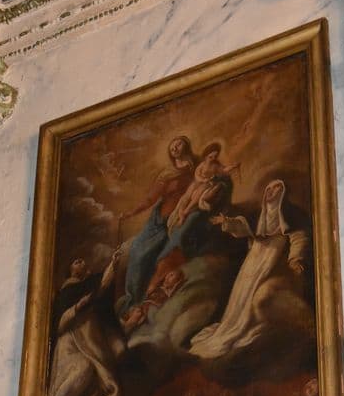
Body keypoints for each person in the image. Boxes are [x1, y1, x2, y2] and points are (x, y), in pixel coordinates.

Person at [189, 179, 311, 359]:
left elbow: (298, 236)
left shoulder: (290, 213)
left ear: (282, 192)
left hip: (275, 257)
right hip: (256, 256)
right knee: (243, 291)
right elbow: (244, 227)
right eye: (269, 188)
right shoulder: (260, 213)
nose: (272, 191)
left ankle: (251, 324)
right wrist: (227, 222)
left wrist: (295, 258)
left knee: (259, 292)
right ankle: (237, 323)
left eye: (277, 188)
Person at [44, 251, 125, 396]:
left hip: (89, 339)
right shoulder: (65, 292)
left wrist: (113, 265)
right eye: (76, 261)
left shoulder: (87, 285)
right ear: (70, 270)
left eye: (82, 261)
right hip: (70, 344)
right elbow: (59, 324)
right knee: (81, 370)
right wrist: (77, 307)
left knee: (95, 374)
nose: (81, 262)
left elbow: (101, 286)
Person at [119, 136, 197, 312]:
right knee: (138, 251)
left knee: (165, 256)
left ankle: (149, 298)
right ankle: (133, 300)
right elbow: (150, 199)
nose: (174, 147)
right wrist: (131, 213)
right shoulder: (167, 174)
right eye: (172, 145)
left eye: (179, 144)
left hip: (180, 218)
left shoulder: (195, 169)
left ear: (186, 147)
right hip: (159, 221)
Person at [167, 143, 239, 231]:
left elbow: (224, 170)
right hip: (197, 182)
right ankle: (180, 212)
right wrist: (202, 180)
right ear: (206, 156)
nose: (213, 159)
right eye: (210, 157)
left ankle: (186, 212)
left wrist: (233, 166)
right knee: (186, 196)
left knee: (198, 195)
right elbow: (196, 174)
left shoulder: (216, 165)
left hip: (207, 184)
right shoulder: (202, 164)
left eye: (215, 156)